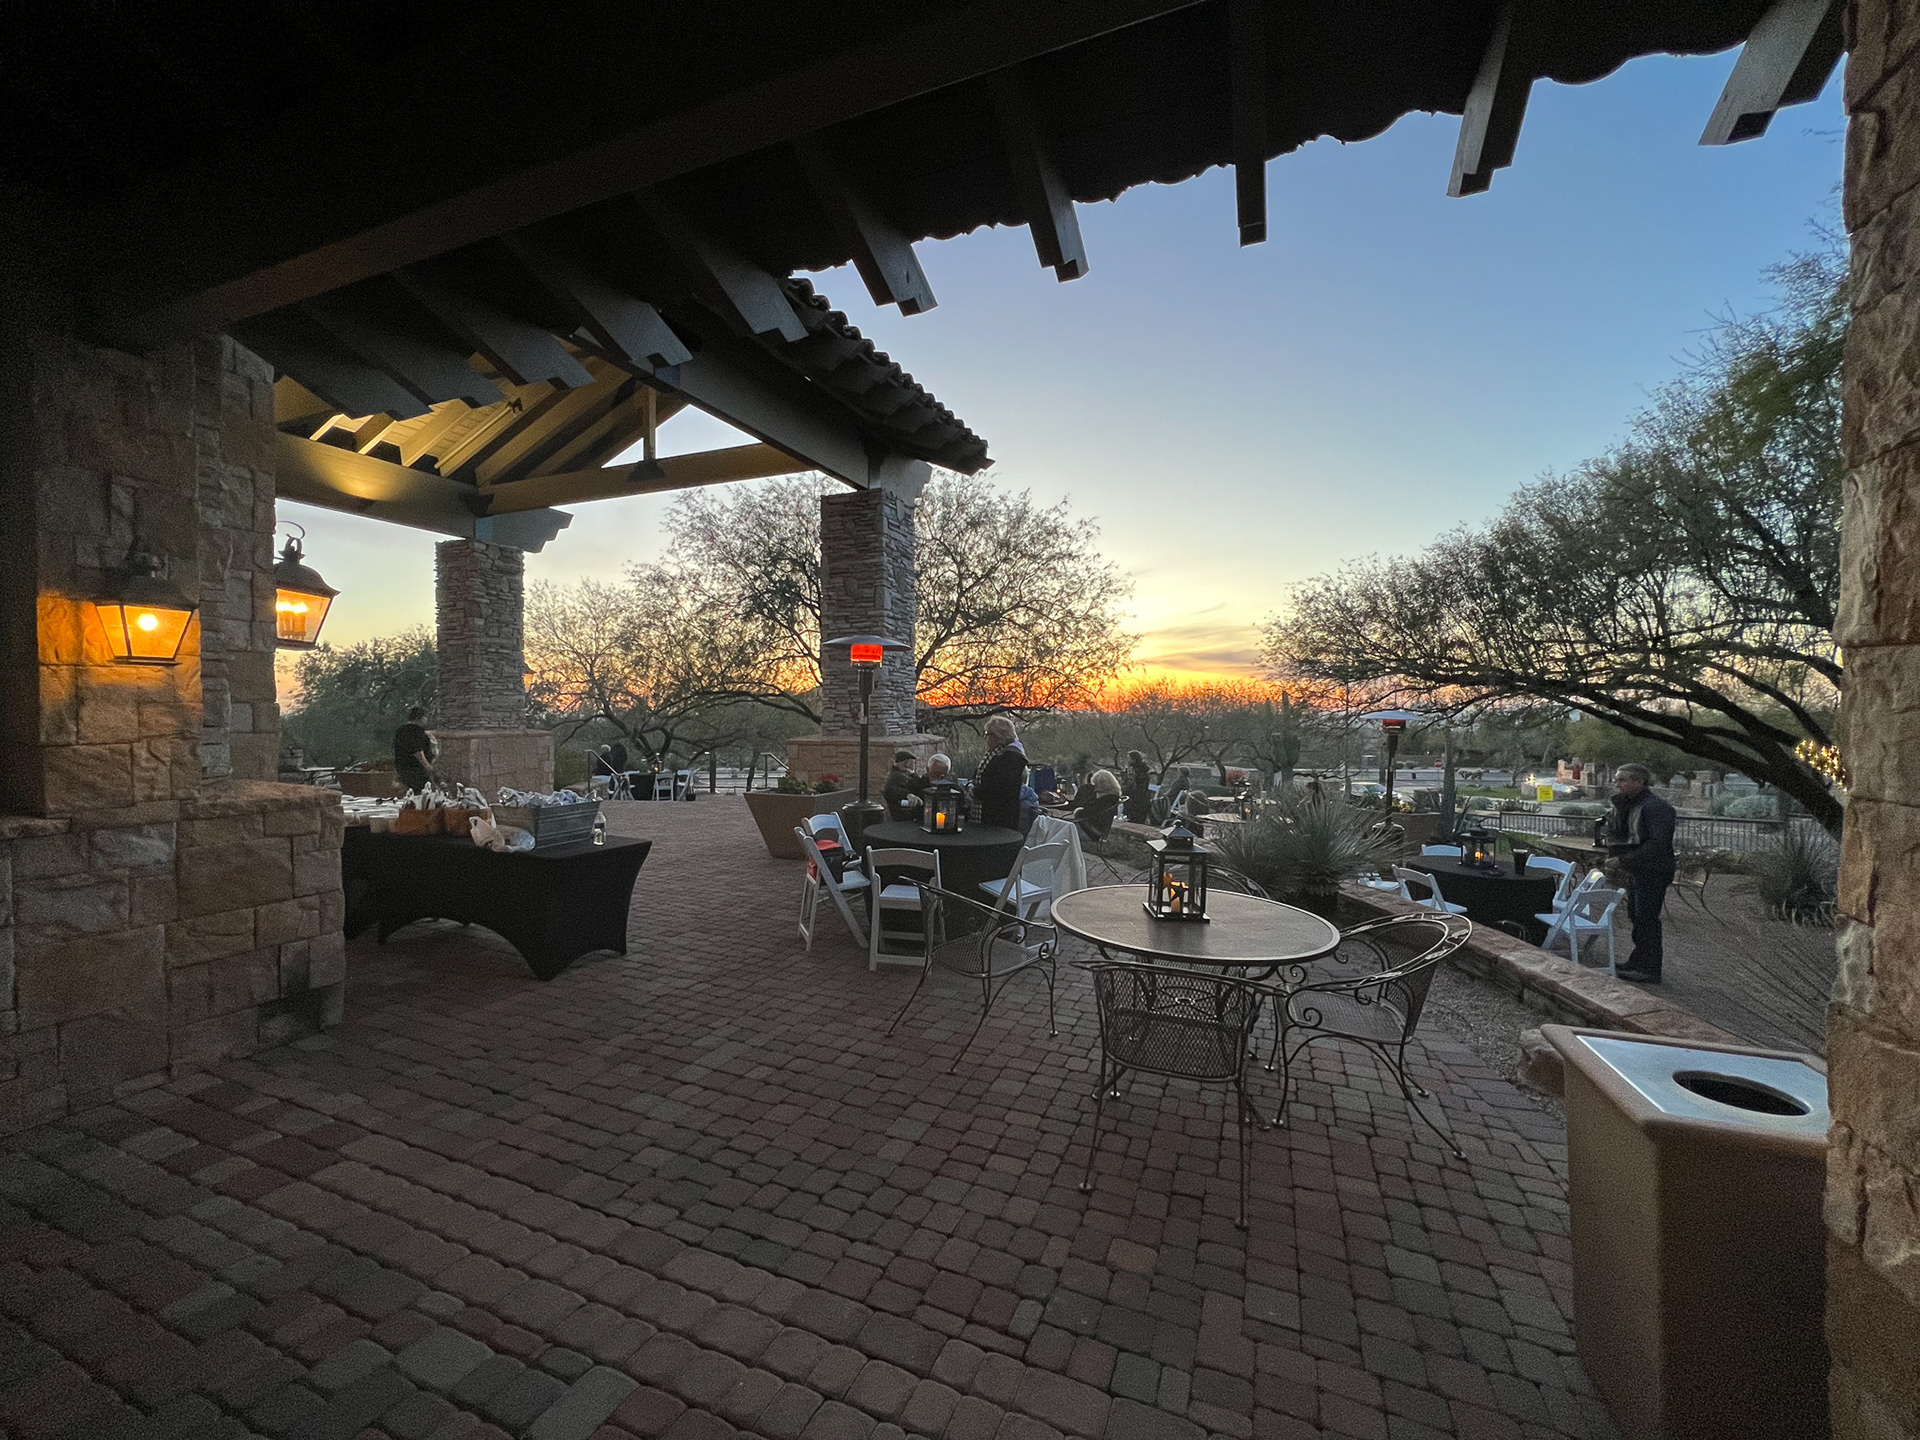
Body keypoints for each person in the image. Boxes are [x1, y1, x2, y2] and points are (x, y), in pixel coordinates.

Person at [1597, 763, 1677, 982]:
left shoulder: (1656, 808)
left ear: (1639, 782)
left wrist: (1624, 859)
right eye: (1617, 780)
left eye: (1623, 780)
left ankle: (1649, 969)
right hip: (1638, 869)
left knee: (1646, 919)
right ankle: (1638, 961)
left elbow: (1657, 844)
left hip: (1653, 870)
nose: (1618, 784)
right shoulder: (1632, 805)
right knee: (1636, 915)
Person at [971, 714, 1026, 830]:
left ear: (998, 736)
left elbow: (999, 788)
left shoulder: (1011, 757)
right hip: (990, 814)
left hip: (999, 818)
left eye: (988, 734)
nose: (986, 738)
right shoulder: (995, 754)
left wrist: (975, 791)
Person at [1067, 769, 1122, 840]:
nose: (1094, 787)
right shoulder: (1112, 798)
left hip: (1091, 833)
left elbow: (1086, 812)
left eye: (1095, 784)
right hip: (1095, 831)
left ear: (1101, 785)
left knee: (1062, 829)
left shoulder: (1105, 800)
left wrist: (1078, 811)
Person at [393, 707, 436, 793]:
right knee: (423, 792)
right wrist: (428, 767)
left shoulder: (400, 730)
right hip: (416, 770)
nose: (426, 719)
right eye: (425, 717)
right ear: (420, 718)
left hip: (403, 767)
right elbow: (418, 751)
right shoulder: (416, 732)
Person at [882, 748, 927, 821]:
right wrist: (907, 794)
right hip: (905, 814)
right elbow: (891, 790)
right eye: (911, 762)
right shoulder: (898, 776)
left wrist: (913, 774)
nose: (913, 765)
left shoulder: (905, 774)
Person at [1123, 751, 1152, 823]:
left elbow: (1131, 784)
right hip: (1143, 796)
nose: (1128, 760)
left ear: (1134, 759)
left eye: (1129, 758)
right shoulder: (1144, 769)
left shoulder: (1135, 770)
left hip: (1137, 798)